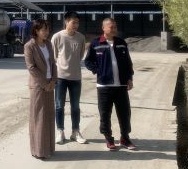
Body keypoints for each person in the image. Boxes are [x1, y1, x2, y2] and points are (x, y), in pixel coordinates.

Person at [84, 18, 136, 151]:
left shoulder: (121, 43)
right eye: (111, 27)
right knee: (105, 114)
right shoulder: (96, 43)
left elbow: (128, 63)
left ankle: (125, 138)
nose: (114, 29)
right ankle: (108, 138)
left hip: (121, 86)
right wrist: (98, 70)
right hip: (104, 86)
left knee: (125, 114)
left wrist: (129, 78)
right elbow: (88, 61)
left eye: (115, 27)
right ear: (104, 28)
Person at [51, 11, 87, 144]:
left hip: (76, 77)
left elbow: (81, 55)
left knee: (75, 106)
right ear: (66, 22)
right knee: (59, 105)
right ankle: (60, 131)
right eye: (73, 22)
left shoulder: (81, 37)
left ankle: (75, 132)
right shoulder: (57, 37)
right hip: (60, 77)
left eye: (77, 23)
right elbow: (53, 56)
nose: (76, 25)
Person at [24, 18, 58, 159]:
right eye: (44, 30)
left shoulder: (48, 44)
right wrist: (44, 84)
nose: (46, 32)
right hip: (38, 86)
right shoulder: (29, 46)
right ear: (36, 31)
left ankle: (48, 148)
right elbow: (31, 67)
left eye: (47, 29)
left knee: (49, 116)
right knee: (39, 117)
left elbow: (53, 63)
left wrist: (53, 81)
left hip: (50, 84)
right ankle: (38, 150)